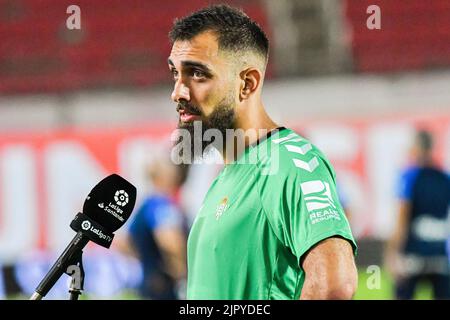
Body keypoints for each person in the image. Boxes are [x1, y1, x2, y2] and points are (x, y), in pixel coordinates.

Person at [167, 5, 357, 300]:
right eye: (175, 74)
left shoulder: (289, 163)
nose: (178, 92)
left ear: (247, 83)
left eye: (197, 74)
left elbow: (333, 286)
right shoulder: (227, 176)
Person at [385, 130, 450, 299]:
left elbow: (402, 218)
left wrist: (392, 253)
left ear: (416, 148)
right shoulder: (444, 177)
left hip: (412, 257)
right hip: (440, 256)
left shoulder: (410, 176)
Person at [125, 157, 189, 299]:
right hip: (165, 287)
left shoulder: (147, 204)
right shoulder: (161, 204)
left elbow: (127, 242)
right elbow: (170, 242)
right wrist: (181, 271)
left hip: (150, 283)